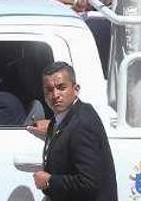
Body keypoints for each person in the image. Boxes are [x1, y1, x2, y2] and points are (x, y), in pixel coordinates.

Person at [32, 62, 117, 201]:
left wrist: (49, 181)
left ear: (76, 89)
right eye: (49, 89)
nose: (55, 95)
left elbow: (89, 182)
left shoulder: (82, 124)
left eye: (61, 88)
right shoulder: (62, 119)